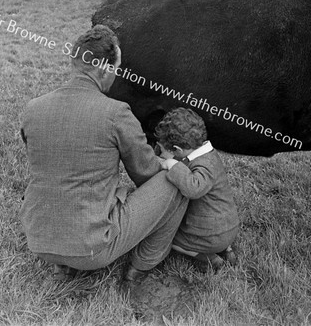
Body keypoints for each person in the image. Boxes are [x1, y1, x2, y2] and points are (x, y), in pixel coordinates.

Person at [20, 25, 188, 282]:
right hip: (92, 247)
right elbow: (146, 174)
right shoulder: (116, 112)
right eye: (115, 70)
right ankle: (142, 266)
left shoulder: (33, 108)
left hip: (39, 240)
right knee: (175, 180)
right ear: (104, 69)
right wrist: (169, 162)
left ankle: (62, 265)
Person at [155, 107, 239, 271]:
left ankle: (209, 257)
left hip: (211, 234)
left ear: (177, 150)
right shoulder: (208, 154)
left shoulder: (203, 165)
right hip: (229, 226)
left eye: (163, 150)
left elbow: (194, 188)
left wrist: (172, 165)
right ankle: (226, 249)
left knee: (167, 237)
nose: (161, 153)